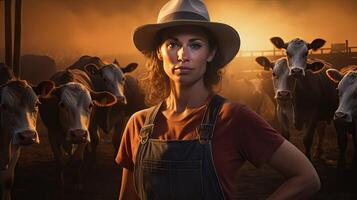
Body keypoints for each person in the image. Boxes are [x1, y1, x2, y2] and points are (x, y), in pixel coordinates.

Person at [116, 0, 321, 199]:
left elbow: (307, 178)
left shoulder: (234, 118)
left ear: (211, 53)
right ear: (159, 53)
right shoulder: (138, 125)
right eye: (172, 44)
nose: (182, 55)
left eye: (195, 45)